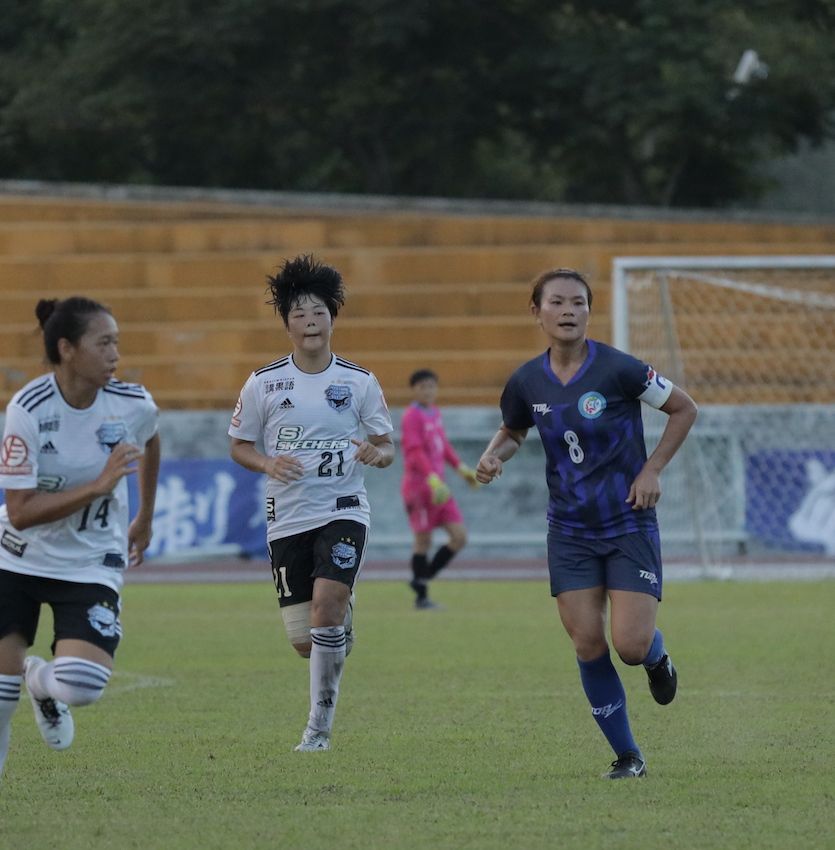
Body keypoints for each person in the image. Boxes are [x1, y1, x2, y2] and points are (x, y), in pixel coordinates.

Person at [475, 268, 698, 780]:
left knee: (630, 646)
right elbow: (513, 429)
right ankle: (629, 756)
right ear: (538, 312)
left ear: (589, 312)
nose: (569, 310)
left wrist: (651, 469)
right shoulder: (527, 380)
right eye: (557, 302)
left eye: (578, 302)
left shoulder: (620, 369)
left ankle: (657, 659)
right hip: (570, 531)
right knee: (587, 644)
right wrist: (494, 456)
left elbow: (684, 408)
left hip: (627, 522)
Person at [229, 254, 394, 753]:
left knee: (325, 606)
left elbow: (387, 447)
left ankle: (317, 729)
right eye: (299, 313)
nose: (310, 321)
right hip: (287, 518)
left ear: (333, 318)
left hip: (344, 507)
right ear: (287, 324)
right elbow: (239, 446)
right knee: (307, 642)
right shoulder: (263, 383)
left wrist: (375, 452)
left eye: (319, 311)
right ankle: (341, 612)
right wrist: (268, 464)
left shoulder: (359, 382)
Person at [0, 297, 160, 780]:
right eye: (104, 342)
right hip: (18, 559)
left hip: (91, 559)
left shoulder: (132, 403)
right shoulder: (27, 409)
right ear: (67, 349)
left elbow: (151, 437)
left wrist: (145, 516)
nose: (115, 354)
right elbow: (20, 512)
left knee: (83, 685)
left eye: (117, 342)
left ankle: (42, 682)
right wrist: (97, 486)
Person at [400, 368, 479, 610]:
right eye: (422, 387)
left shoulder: (435, 413)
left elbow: (442, 446)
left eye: (431, 386)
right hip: (420, 488)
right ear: (414, 390)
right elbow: (414, 451)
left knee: (459, 536)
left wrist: (462, 469)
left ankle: (421, 579)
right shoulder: (411, 416)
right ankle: (422, 597)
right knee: (423, 540)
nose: (427, 391)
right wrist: (432, 479)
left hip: (440, 488)